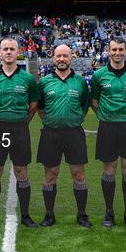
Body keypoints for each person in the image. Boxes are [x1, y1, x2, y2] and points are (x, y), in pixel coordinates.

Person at [0, 37, 39, 228]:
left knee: (21, 170)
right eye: (5, 49)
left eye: (11, 49)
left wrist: (22, 123)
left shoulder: (28, 79)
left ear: (18, 52)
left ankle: (25, 215)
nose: (8, 52)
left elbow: (33, 106)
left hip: (20, 129)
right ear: (0, 52)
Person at [90, 37, 126, 228]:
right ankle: (109, 212)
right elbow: (95, 102)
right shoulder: (99, 75)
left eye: (120, 49)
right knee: (109, 169)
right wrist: (106, 116)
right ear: (108, 51)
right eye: (114, 50)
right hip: (108, 127)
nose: (117, 53)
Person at [37, 44, 91, 227]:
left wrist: (72, 120)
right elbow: (40, 108)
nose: (61, 59)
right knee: (50, 174)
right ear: (53, 58)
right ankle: (49, 214)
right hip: (50, 134)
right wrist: (52, 121)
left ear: (71, 58)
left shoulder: (80, 81)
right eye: (58, 56)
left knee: (78, 174)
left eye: (65, 56)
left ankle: (82, 215)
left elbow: (85, 106)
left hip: (74, 133)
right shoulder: (44, 82)